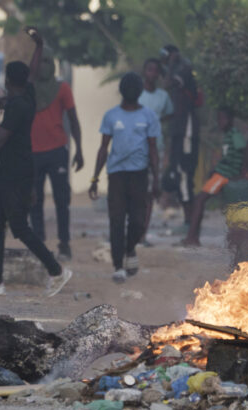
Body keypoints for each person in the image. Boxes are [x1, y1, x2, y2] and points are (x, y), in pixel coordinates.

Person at [0, 28, 72, 297]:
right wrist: (39, 45)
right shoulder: (27, 94)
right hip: (9, 171)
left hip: (16, 174)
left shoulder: (16, 106)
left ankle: (56, 270)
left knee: (19, 227)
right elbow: (32, 72)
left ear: (7, 80)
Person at [89, 73, 161, 283]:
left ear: (140, 92)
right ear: (122, 91)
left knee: (138, 221)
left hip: (140, 174)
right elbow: (104, 148)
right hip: (117, 175)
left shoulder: (149, 116)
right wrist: (95, 178)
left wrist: (156, 179)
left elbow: (153, 149)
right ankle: (118, 266)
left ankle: (130, 250)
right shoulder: (111, 116)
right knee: (117, 220)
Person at [28, 48, 83, 260]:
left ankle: (64, 241)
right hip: (32, 152)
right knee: (34, 200)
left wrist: (79, 149)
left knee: (62, 199)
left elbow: (74, 119)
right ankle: (39, 241)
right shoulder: (29, 89)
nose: (42, 66)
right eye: (39, 62)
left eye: (46, 62)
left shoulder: (62, 88)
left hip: (57, 150)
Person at [181, 108, 247, 246]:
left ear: (230, 119)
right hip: (221, 173)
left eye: (222, 118)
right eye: (219, 119)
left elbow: (245, 152)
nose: (220, 122)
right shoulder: (227, 135)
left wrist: (243, 173)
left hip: (225, 175)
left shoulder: (235, 134)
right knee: (211, 202)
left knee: (199, 200)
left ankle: (192, 237)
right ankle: (193, 237)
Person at [161, 45, 202, 233]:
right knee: (178, 174)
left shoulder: (183, 69)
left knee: (184, 175)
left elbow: (168, 83)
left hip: (187, 130)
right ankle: (188, 221)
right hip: (179, 129)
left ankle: (190, 223)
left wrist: (170, 64)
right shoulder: (179, 69)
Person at [138, 58, 173, 246]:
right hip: (135, 149)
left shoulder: (163, 96)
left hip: (155, 149)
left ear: (159, 74)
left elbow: (169, 114)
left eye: (155, 70)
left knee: (150, 192)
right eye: (149, 69)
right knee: (134, 191)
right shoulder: (136, 94)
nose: (152, 73)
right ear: (144, 72)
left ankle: (142, 234)